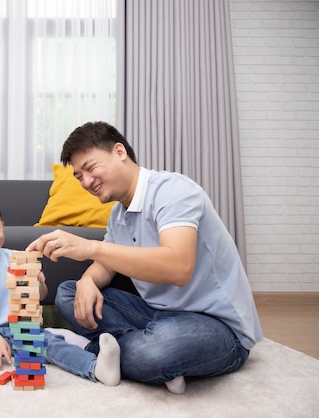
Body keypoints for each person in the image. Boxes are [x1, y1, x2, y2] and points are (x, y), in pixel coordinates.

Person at [26, 121, 263, 394]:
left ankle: (88, 348)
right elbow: (105, 265)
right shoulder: (119, 214)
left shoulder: (173, 191)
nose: (87, 182)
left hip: (218, 326)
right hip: (156, 315)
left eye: (90, 168)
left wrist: (91, 247)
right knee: (69, 292)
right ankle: (138, 354)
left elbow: (178, 267)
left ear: (119, 152)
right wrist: (87, 281)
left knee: (159, 349)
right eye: (79, 177)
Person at [0, 190, 120, 399]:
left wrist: (39, 285)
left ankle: (96, 368)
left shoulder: (18, 259)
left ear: (2, 226)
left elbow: (39, 298)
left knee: (50, 342)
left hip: (20, 326)